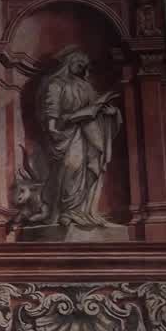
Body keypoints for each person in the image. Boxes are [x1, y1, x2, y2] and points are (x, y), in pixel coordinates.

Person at [37, 47, 122, 229]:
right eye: (79, 64)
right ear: (69, 64)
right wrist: (52, 127)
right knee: (71, 166)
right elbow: (52, 107)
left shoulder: (87, 86)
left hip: (89, 133)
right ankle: (66, 210)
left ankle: (81, 210)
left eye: (85, 66)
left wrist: (111, 112)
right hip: (67, 131)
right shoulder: (56, 83)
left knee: (91, 167)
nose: (84, 69)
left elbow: (97, 106)